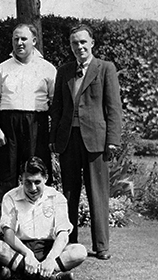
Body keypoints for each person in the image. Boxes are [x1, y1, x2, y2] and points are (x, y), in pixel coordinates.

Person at [50, 24, 122, 260]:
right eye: (74, 43)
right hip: (68, 140)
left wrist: (113, 139)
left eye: (83, 42)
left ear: (92, 43)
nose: (79, 47)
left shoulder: (105, 69)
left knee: (97, 193)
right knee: (69, 193)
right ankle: (69, 242)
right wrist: (54, 138)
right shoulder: (64, 71)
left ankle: (101, 246)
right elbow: (57, 108)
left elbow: (113, 107)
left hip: (96, 141)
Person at [0, 157, 87, 280]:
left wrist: (51, 258)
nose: (33, 188)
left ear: (45, 178)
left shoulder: (57, 197)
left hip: (47, 248)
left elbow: (63, 234)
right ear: (21, 180)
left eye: (37, 182)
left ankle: (20, 272)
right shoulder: (10, 197)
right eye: (27, 182)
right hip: (19, 249)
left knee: (79, 252)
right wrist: (27, 254)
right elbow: (8, 234)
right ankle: (52, 277)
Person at [0, 23, 56, 200]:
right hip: (7, 125)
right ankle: (7, 225)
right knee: (7, 177)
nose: (19, 43)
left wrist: (53, 134)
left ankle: (38, 223)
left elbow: (56, 102)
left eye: (24, 39)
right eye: (16, 39)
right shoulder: (2, 68)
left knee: (37, 174)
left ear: (34, 40)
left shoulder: (47, 68)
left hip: (36, 125)